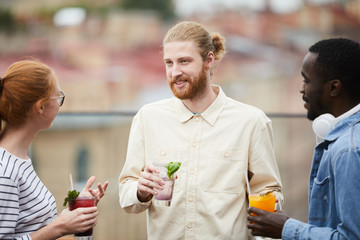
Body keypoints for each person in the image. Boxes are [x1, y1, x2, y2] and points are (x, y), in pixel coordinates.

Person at [118, 20, 283, 239]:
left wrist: (266, 202)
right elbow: (126, 194)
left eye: (184, 61)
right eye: (169, 62)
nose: (175, 71)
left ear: (209, 60)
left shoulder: (251, 122)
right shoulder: (148, 118)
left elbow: (269, 193)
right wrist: (140, 190)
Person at [247, 38, 360, 239]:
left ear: (334, 88)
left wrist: (285, 228)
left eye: (307, 81)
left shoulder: (347, 150)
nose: (302, 89)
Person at [0, 59, 109, 240]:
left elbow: (28, 227)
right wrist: (60, 227)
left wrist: (73, 215)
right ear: (41, 107)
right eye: (58, 97)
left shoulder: (20, 159)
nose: (60, 104)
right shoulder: (5, 171)